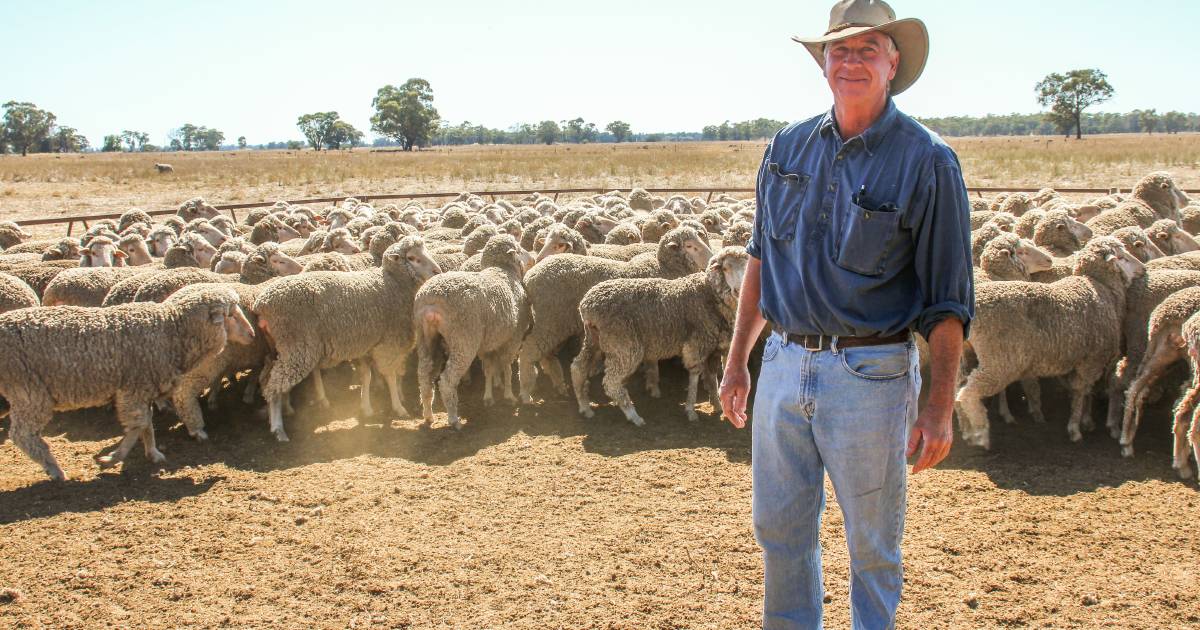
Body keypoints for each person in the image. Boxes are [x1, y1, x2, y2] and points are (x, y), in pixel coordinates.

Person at [717, 1, 974, 628]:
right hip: (781, 363)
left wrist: (940, 405)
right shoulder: (787, 146)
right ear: (823, 63)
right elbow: (760, 260)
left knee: (873, 547)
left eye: (867, 49)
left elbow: (947, 299)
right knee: (779, 533)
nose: (851, 61)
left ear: (893, 62)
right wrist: (738, 365)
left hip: (870, 375)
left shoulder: (927, 160)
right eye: (840, 49)